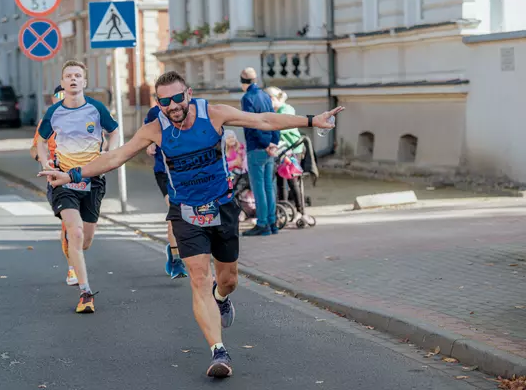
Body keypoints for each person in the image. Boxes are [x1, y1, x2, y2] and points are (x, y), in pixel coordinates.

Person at [38, 70, 343, 378]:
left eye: (177, 98)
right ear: (158, 102)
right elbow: (115, 157)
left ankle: (221, 298)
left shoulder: (213, 114)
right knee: (199, 278)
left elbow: (264, 120)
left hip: (222, 206)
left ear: (188, 94)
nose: (172, 106)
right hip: (185, 212)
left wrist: (312, 120)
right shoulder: (155, 129)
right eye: (164, 101)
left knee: (228, 280)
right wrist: (72, 174)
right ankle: (218, 352)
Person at [37, 60, 120, 314]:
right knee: (75, 232)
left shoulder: (96, 108)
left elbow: (115, 131)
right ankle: (85, 292)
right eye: (68, 76)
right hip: (63, 179)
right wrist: (46, 162)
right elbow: (41, 140)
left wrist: (109, 153)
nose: (73, 79)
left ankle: (73, 253)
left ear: (84, 82)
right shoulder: (54, 112)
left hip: (93, 179)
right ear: (62, 83)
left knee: (86, 239)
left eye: (77, 76)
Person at [30, 85, 79, 286]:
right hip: (58, 178)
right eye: (59, 95)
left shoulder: (87, 117)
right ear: (53, 99)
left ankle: (76, 258)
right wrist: (44, 161)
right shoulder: (47, 122)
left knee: (84, 228)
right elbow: (34, 148)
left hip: (84, 177)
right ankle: (72, 268)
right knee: (69, 224)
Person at [144, 105, 188, 279]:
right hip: (164, 171)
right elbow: (145, 133)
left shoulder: (191, 109)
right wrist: (150, 143)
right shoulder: (154, 113)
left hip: (187, 172)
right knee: (174, 210)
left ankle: (179, 248)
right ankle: (177, 259)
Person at [239, 67, 280, 237]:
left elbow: (252, 123)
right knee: (269, 187)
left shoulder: (247, 98)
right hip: (270, 147)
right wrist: (274, 142)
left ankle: (263, 224)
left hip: (257, 147)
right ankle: (272, 222)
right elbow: (274, 119)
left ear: (243, 82)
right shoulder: (265, 95)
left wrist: (265, 144)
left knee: (259, 188)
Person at [265, 86, 309, 223]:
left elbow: (283, 126)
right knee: (281, 181)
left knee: (293, 181)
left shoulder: (286, 109)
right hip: (282, 150)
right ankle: (283, 209)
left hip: (293, 150)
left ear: (272, 98)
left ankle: (301, 211)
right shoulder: (276, 111)